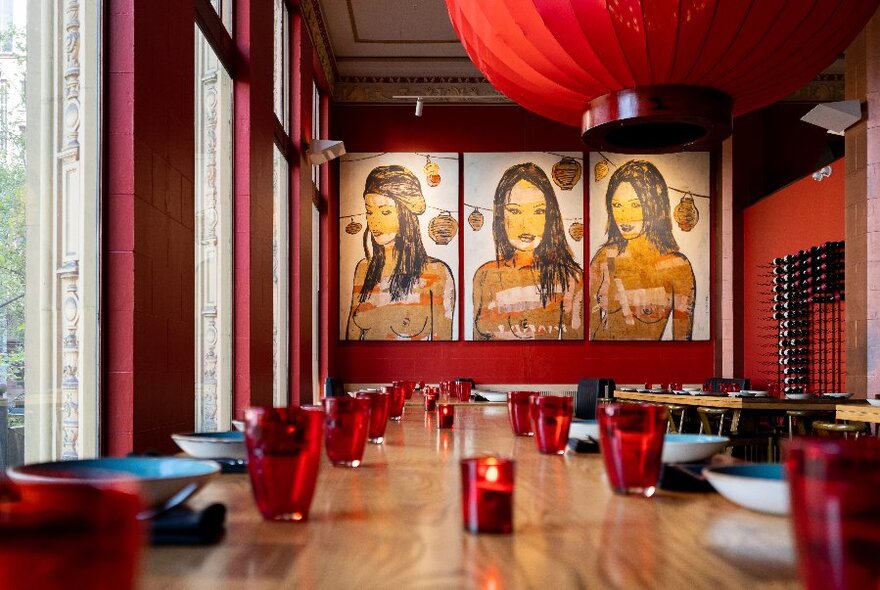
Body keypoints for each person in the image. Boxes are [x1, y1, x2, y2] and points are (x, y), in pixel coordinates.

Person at [472, 162, 583, 340]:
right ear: (501, 216)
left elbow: (575, 345)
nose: (526, 224)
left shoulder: (569, 277)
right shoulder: (484, 276)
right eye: (515, 211)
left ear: (550, 216)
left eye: (538, 211)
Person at [589, 159, 696, 340]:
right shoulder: (606, 258)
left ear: (654, 207)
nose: (625, 217)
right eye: (617, 205)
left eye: (635, 205)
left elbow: (682, 338)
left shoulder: (677, 266)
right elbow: (589, 325)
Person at [346, 165, 455, 340]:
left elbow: (442, 342)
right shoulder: (363, 270)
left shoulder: (437, 273)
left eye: (386, 211)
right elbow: (352, 336)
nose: (374, 221)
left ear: (406, 215)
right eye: (369, 211)